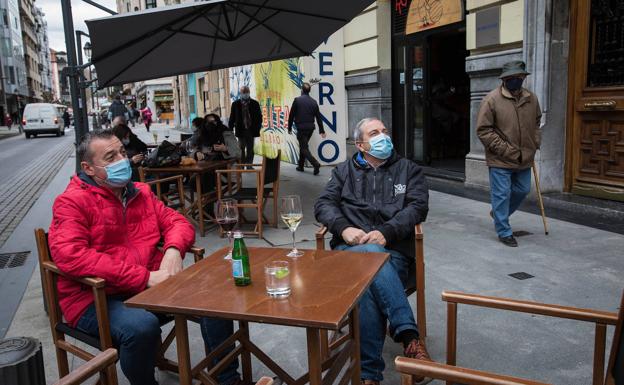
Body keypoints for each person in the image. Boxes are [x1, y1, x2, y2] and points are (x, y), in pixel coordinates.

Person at [48, 130, 241, 385]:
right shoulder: (71, 202)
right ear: (89, 168)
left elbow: (179, 223)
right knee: (141, 327)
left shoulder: (140, 192)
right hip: (94, 296)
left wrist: (173, 250)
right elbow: (71, 255)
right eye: (110, 156)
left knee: (215, 299)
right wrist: (145, 277)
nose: (122, 160)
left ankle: (227, 380)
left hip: (150, 285)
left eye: (121, 152)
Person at [314, 118, 431, 385]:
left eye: (385, 131)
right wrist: (344, 229)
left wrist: (386, 232)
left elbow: (417, 207)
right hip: (348, 250)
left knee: (366, 285)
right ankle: (410, 338)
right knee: (367, 259)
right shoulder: (343, 171)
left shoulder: (408, 170)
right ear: (360, 144)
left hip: (393, 253)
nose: (383, 137)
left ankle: (368, 375)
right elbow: (323, 204)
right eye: (375, 133)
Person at [476, 60, 542, 247]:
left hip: (525, 156)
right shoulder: (491, 99)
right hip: (500, 157)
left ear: (523, 77)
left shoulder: (532, 98)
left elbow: (537, 122)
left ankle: (498, 214)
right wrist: (505, 149)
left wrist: (535, 141)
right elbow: (483, 130)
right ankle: (504, 231)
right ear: (504, 79)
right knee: (502, 194)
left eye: (519, 77)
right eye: (511, 78)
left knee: (522, 190)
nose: (516, 80)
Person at [190, 114, 241, 194]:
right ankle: (210, 198)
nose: (211, 124)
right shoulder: (202, 135)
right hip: (204, 168)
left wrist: (225, 149)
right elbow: (193, 151)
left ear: (218, 122)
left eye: (213, 121)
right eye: (208, 122)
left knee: (205, 179)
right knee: (193, 182)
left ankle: (208, 201)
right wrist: (196, 153)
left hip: (224, 172)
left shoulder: (226, 133)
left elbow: (238, 153)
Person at [287, 82, 326, 175]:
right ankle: (300, 166)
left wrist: (289, 127)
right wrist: (322, 130)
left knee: (304, 148)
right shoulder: (314, 102)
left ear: (302, 90)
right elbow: (318, 117)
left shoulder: (297, 100)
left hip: (301, 128)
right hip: (310, 129)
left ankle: (315, 164)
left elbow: (291, 115)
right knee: (303, 146)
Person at [229, 86, 262, 165]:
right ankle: (242, 164)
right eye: (244, 92)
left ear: (249, 92)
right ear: (241, 93)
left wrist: (257, 127)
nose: (246, 94)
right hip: (241, 130)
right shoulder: (235, 104)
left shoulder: (255, 103)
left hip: (251, 130)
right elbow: (232, 117)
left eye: (247, 92)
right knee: (241, 148)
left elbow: (259, 117)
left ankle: (249, 164)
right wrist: (230, 129)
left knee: (250, 148)